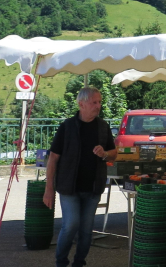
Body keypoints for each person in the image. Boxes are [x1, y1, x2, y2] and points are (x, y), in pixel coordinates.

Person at [43, 87, 117, 267]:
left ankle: (79, 263)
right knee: (70, 226)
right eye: (94, 102)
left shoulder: (103, 126)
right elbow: (53, 157)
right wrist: (49, 189)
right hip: (69, 187)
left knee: (86, 231)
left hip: (92, 187)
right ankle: (61, 262)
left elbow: (114, 153)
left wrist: (105, 153)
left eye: (99, 102)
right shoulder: (67, 126)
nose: (98, 106)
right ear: (81, 104)